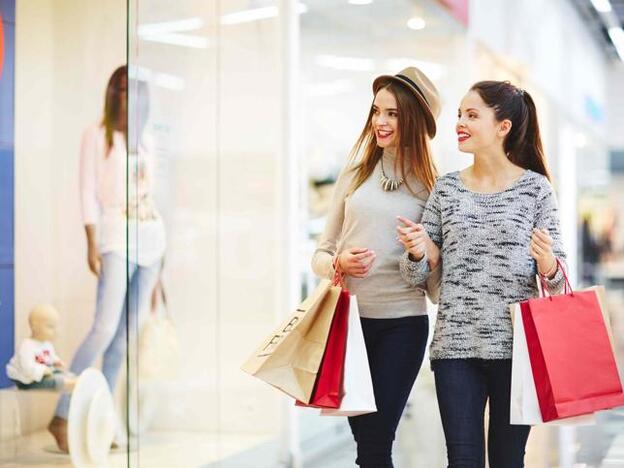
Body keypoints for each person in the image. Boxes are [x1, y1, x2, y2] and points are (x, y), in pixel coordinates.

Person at [398, 80, 567, 468]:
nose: (460, 122)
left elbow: (559, 282)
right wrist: (415, 252)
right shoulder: (447, 189)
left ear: (502, 126)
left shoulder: (535, 189)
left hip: (518, 349)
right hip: (455, 348)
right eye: (459, 114)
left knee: (508, 460)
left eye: (472, 115)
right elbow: (416, 276)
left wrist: (548, 264)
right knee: (462, 459)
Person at [311, 66, 441, 467]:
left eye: (393, 113)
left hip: (403, 324)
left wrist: (420, 253)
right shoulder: (354, 174)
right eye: (376, 111)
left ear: (414, 119)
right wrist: (338, 262)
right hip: (348, 324)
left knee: (377, 437)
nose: (380, 122)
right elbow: (320, 254)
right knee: (367, 440)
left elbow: (436, 285)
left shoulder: (433, 186)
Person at [48, 66, 166, 453]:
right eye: (120, 90)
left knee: (126, 335)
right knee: (103, 326)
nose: (126, 98)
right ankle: (63, 413)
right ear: (111, 94)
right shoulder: (97, 136)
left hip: (151, 238)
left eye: (133, 91)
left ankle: (102, 419)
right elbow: (86, 192)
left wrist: (160, 271)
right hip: (116, 234)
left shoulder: (147, 139)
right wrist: (90, 240)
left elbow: (152, 197)